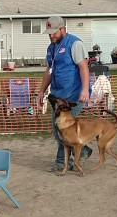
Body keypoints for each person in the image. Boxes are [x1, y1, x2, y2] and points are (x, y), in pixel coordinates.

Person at [37, 16, 93, 172]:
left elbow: (83, 67)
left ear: (62, 29)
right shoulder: (51, 48)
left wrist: (84, 89)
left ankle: (62, 163)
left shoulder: (75, 44)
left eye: (53, 33)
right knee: (57, 131)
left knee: (65, 130)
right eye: (49, 33)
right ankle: (84, 150)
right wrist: (41, 91)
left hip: (73, 96)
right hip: (57, 96)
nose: (51, 36)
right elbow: (49, 71)